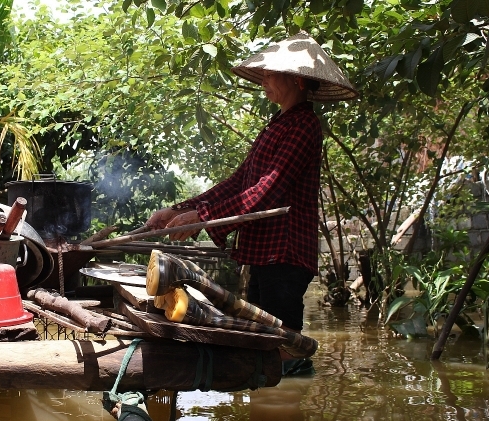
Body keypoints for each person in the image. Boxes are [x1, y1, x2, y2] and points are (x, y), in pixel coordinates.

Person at [145, 32, 358, 365]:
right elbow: (238, 183)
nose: (265, 80)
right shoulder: (277, 125)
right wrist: (179, 209)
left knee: (281, 348)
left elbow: (268, 190)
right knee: (260, 345)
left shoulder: (304, 125)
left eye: (272, 73)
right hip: (263, 254)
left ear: (299, 80)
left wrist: (203, 218)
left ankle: (291, 401)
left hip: (284, 255)